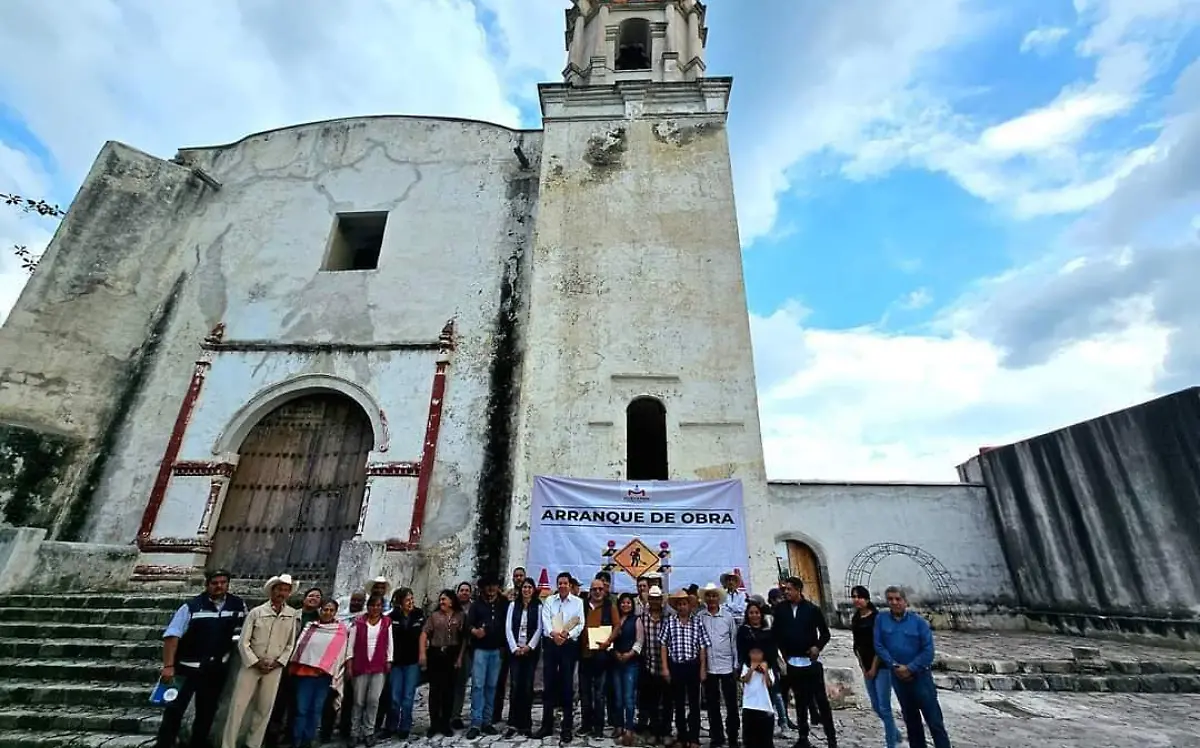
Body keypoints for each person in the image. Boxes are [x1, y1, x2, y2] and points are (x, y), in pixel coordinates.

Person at [153, 569, 247, 748]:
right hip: (185, 668)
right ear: (207, 585)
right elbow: (172, 636)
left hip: (215, 669)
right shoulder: (191, 606)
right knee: (174, 710)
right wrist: (168, 666)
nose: (219, 586)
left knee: (207, 712)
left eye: (223, 582)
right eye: (215, 583)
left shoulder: (238, 605)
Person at [223, 574, 299, 748]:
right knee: (238, 706)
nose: (282, 593)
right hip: (252, 665)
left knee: (264, 708)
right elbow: (243, 642)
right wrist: (255, 661)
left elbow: (290, 644)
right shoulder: (257, 612)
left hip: (274, 667)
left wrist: (278, 662)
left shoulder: (291, 615)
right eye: (279, 589)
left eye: (286, 590)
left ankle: (253, 744)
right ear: (272, 590)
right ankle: (228, 744)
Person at [875, 586, 950, 748]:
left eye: (897, 599)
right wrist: (895, 666)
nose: (894, 602)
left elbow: (928, 651)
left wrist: (910, 668)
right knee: (911, 721)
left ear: (905, 601)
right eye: (890, 599)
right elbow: (879, 645)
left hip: (920, 678)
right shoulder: (881, 620)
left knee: (934, 721)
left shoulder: (919, 623)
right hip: (898, 678)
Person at [772, 576, 836, 748]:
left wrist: (817, 647)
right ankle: (802, 736)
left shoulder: (811, 609)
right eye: (784, 589)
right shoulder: (780, 610)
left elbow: (825, 633)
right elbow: (776, 634)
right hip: (792, 662)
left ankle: (831, 739)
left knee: (821, 701)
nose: (786, 592)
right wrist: (783, 655)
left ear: (799, 590)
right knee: (800, 702)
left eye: (790, 589)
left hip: (810, 663)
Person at [289, 599, 349, 748]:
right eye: (325, 609)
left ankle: (308, 740)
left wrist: (325, 667)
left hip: (324, 677)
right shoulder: (310, 627)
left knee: (316, 710)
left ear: (335, 612)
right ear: (320, 610)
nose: (327, 613)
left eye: (331, 610)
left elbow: (339, 655)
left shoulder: (340, 631)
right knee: (301, 709)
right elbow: (300, 649)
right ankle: (296, 739)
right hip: (305, 675)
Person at [535, 571, 585, 743]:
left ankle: (567, 727)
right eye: (560, 583)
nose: (563, 586)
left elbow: (580, 623)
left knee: (567, 687)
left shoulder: (578, 602)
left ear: (570, 585)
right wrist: (553, 634)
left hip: (568, 646)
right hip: (551, 645)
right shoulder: (550, 600)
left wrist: (566, 635)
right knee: (548, 686)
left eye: (565, 583)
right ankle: (546, 725)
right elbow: (546, 620)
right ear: (557, 585)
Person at [849, 586, 902, 748]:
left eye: (860, 597)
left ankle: (891, 743)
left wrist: (873, 667)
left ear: (867, 599)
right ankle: (895, 733)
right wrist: (863, 667)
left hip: (882, 666)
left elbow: (880, 645)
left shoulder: (877, 618)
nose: (857, 600)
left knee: (884, 706)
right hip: (866, 666)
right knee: (876, 706)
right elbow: (856, 645)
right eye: (854, 597)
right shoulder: (856, 619)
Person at [659, 588, 710, 748]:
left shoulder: (697, 622)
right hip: (676, 666)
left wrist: (702, 668)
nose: (682, 607)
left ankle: (694, 737)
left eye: (685, 604)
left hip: (692, 666)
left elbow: (702, 647)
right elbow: (663, 645)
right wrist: (665, 668)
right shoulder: (670, 622)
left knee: (694, 704)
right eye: (679, 604)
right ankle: (682, 736)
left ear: (690, 605)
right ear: (676, 606)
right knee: (679, 704)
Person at [420, 589, 467, 738]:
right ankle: (434, 724)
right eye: (440, 600)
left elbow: (464, 638)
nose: (441, 602)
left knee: (449, 691)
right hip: (436, 654)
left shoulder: (460, 616)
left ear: (452, 601)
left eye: (444, 599)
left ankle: (446, 723)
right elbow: (424, 633)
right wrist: (422, 654)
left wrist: (459, 657)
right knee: (435, 691)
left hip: (451, 654)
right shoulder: (434, 616)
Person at [736, 600, 787, 737]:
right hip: (750, 670)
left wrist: (765, 665)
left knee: (768, 702)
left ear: (761, 614)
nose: (754, 615)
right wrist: (751, 664)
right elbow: (741, 650)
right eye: (751, 613)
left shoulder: (768, 632)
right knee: (750, 705)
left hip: (766, 670)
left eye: (757, 612)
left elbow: (772, 651)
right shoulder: (743, 631)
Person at [347, 593, 392, 746]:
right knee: (358, 701)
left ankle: (369, 731)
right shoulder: (358, 622)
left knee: (373, 700)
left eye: (379, 605)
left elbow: (389, 643)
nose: (375, 608)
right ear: (368, 606)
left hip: (379, 665)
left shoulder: (386, 622)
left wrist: (389, 660)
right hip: (360, 664)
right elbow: (350, 646)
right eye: (373, 605)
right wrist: (349, 664)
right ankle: (354, 732)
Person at [699, 583, 740, 748]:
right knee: (712, 704)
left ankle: (732, 737)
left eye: (714, 595)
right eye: (708, 595)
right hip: (709, 667)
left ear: (718, 598)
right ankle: (717, 736)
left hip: (727, 666)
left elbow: (733, 642)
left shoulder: (728, 617)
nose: (711, 599)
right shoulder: (701, 617)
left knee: (731, 705)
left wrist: (736, 664)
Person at [466, 576, 508, 739]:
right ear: (483, 588)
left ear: (498, 587)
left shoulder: (504, 604)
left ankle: (487, 721)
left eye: (494, 585)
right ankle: (475, 722)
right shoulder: (476, 605)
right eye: (488, 586)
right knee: (477, 686)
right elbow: (468, 625)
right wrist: (475, 631)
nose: (491, 589)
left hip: (497, 650)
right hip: (480, 651)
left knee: (492, 687)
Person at [579, 577, 619, 738]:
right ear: (590, 591)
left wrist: (608, 641)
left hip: (602, 656)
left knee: (599, 694)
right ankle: (585, 725)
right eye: (594, 589)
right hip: (584, 655)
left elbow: (617, 626)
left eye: (600, 589)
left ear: (605, 590)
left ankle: (598, 727)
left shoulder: (610, 607)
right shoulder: (582, 606)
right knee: (585, 693)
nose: (597, 592)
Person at [504, 578, 543, 738]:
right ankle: (513, 723)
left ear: (533, 590)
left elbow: (540, 628)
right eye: (524, 587)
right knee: (515, 686)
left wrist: (529, 647)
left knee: (527, 687)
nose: (526, 590)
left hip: (530, 652)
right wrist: (514, 648)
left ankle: (525, 723)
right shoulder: (513, 605)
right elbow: (508, 627)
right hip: (515, 652)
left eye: (529, 587)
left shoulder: (538, 606)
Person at [385, 587, 425, 739]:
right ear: (400, 601)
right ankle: (391, 725)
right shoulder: (391, 617)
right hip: (396, 661)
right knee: (394, 697)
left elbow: (423, 634)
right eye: (407, 600)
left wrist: (423, 654)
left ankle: (405, 726)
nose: (411, 602)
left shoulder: (419, 614)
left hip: (412, 661)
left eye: (412, 599)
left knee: (408, 696)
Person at [638, 585, 671, 745]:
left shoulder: (669, 617)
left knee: (667, 702)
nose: (655, 601)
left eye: (657, 599)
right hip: (649, 665)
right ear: (649, 600)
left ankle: (666, 731)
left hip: (666, 666)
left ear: (661, 600)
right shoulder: (643, 617)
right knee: (651, 701)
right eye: (652, 599)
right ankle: (654, 731)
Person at [611, 592, 644, 746]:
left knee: (629, 698)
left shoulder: (636, 620)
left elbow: (639, 641)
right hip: (616, 662)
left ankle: (629, 728)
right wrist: (616, 653)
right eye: (623, 602)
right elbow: (609, 638)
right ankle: (618, 725)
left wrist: (629, 654)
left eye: (628, 603)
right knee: (618, 698)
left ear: (632, 605)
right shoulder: (615, 620)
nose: (625, 605)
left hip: (631, 663)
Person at [739, 646, 775, 748]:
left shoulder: (768, 667)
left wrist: (765, 672)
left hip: (764, 706)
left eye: (758, 653)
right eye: (753, 653)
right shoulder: (746, 666)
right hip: (749, 705)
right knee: (749, 739)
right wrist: (752, 669)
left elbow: (769, 684)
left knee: (765, 740)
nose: (755, 656)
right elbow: (745, 680)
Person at [450, 581, 475, 729]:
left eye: (467, 590)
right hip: (449, 649)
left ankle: (456, 715)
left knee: (460, 684)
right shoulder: (450, 606)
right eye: (462, 590)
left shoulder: (473, 609)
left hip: (466, 650)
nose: (464, 593)